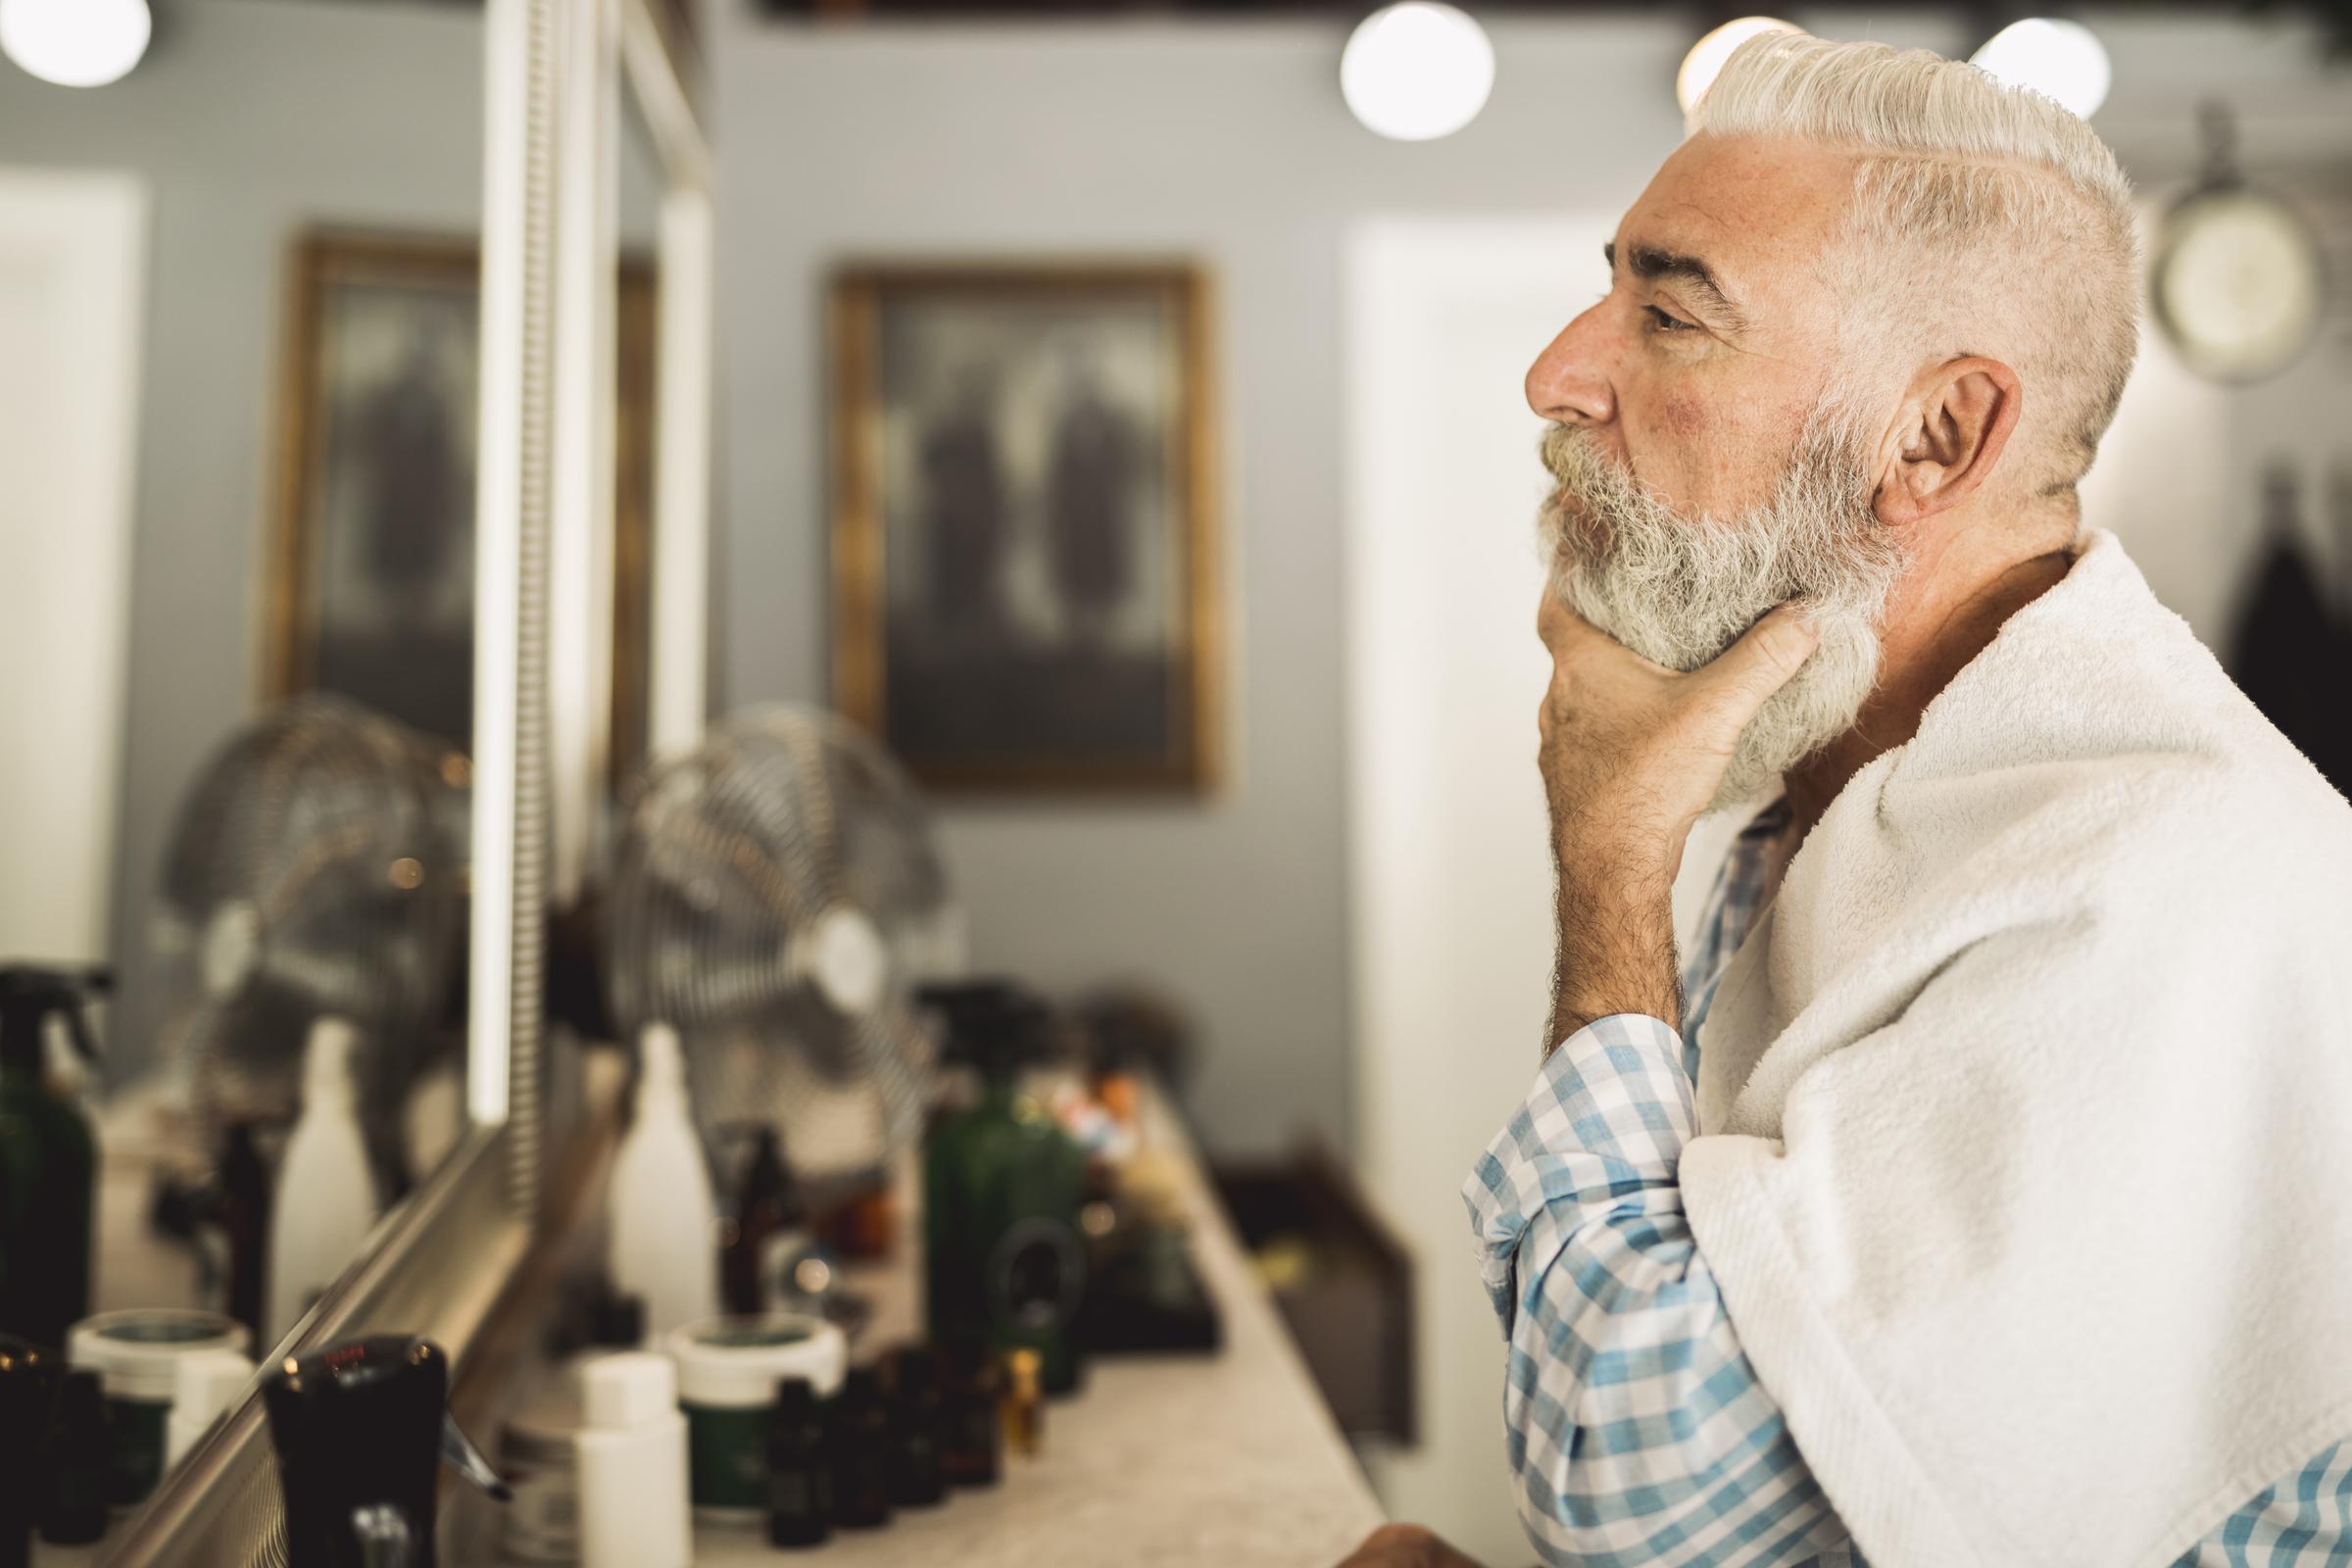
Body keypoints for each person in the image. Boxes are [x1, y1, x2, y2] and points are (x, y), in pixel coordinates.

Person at [1340, 29, 2352, 1568]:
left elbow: (1644, 1509)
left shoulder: (2160, 879)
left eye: (1666, 312)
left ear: (1937, 435)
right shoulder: (1847, 796)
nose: (1557, 375)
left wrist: (1610, 853)